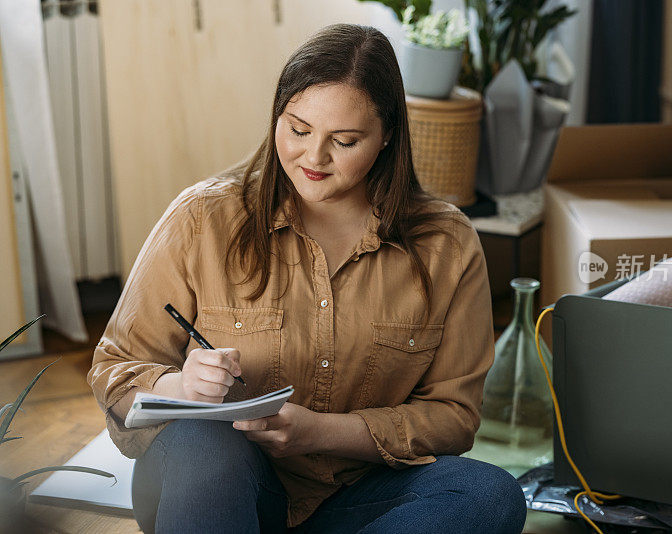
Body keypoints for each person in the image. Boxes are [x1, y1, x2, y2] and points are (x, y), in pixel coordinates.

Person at [88, 23, 527, 534]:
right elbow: (114, 369)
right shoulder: (202, 218)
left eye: (344, 141)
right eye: (297, 130)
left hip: (357, 498)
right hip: (219, 488)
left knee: (489, 494)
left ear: (387, 137)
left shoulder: (446, 244)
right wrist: (182, 384)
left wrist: (323, 433)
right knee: (201, 442)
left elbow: (453, 416)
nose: (313, 159)